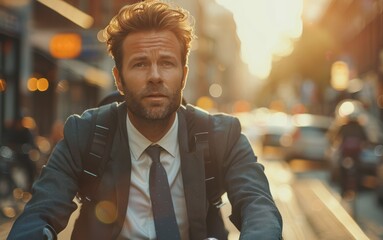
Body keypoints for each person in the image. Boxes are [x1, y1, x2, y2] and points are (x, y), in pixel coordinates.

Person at [7, 1, 282, 239]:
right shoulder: (84, 134)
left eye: (166, 63)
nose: (155, 76)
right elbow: (40, 213)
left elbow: (259, 207)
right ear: (119, 79)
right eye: (140, 64)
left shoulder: (222, 135)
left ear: (184, 76)